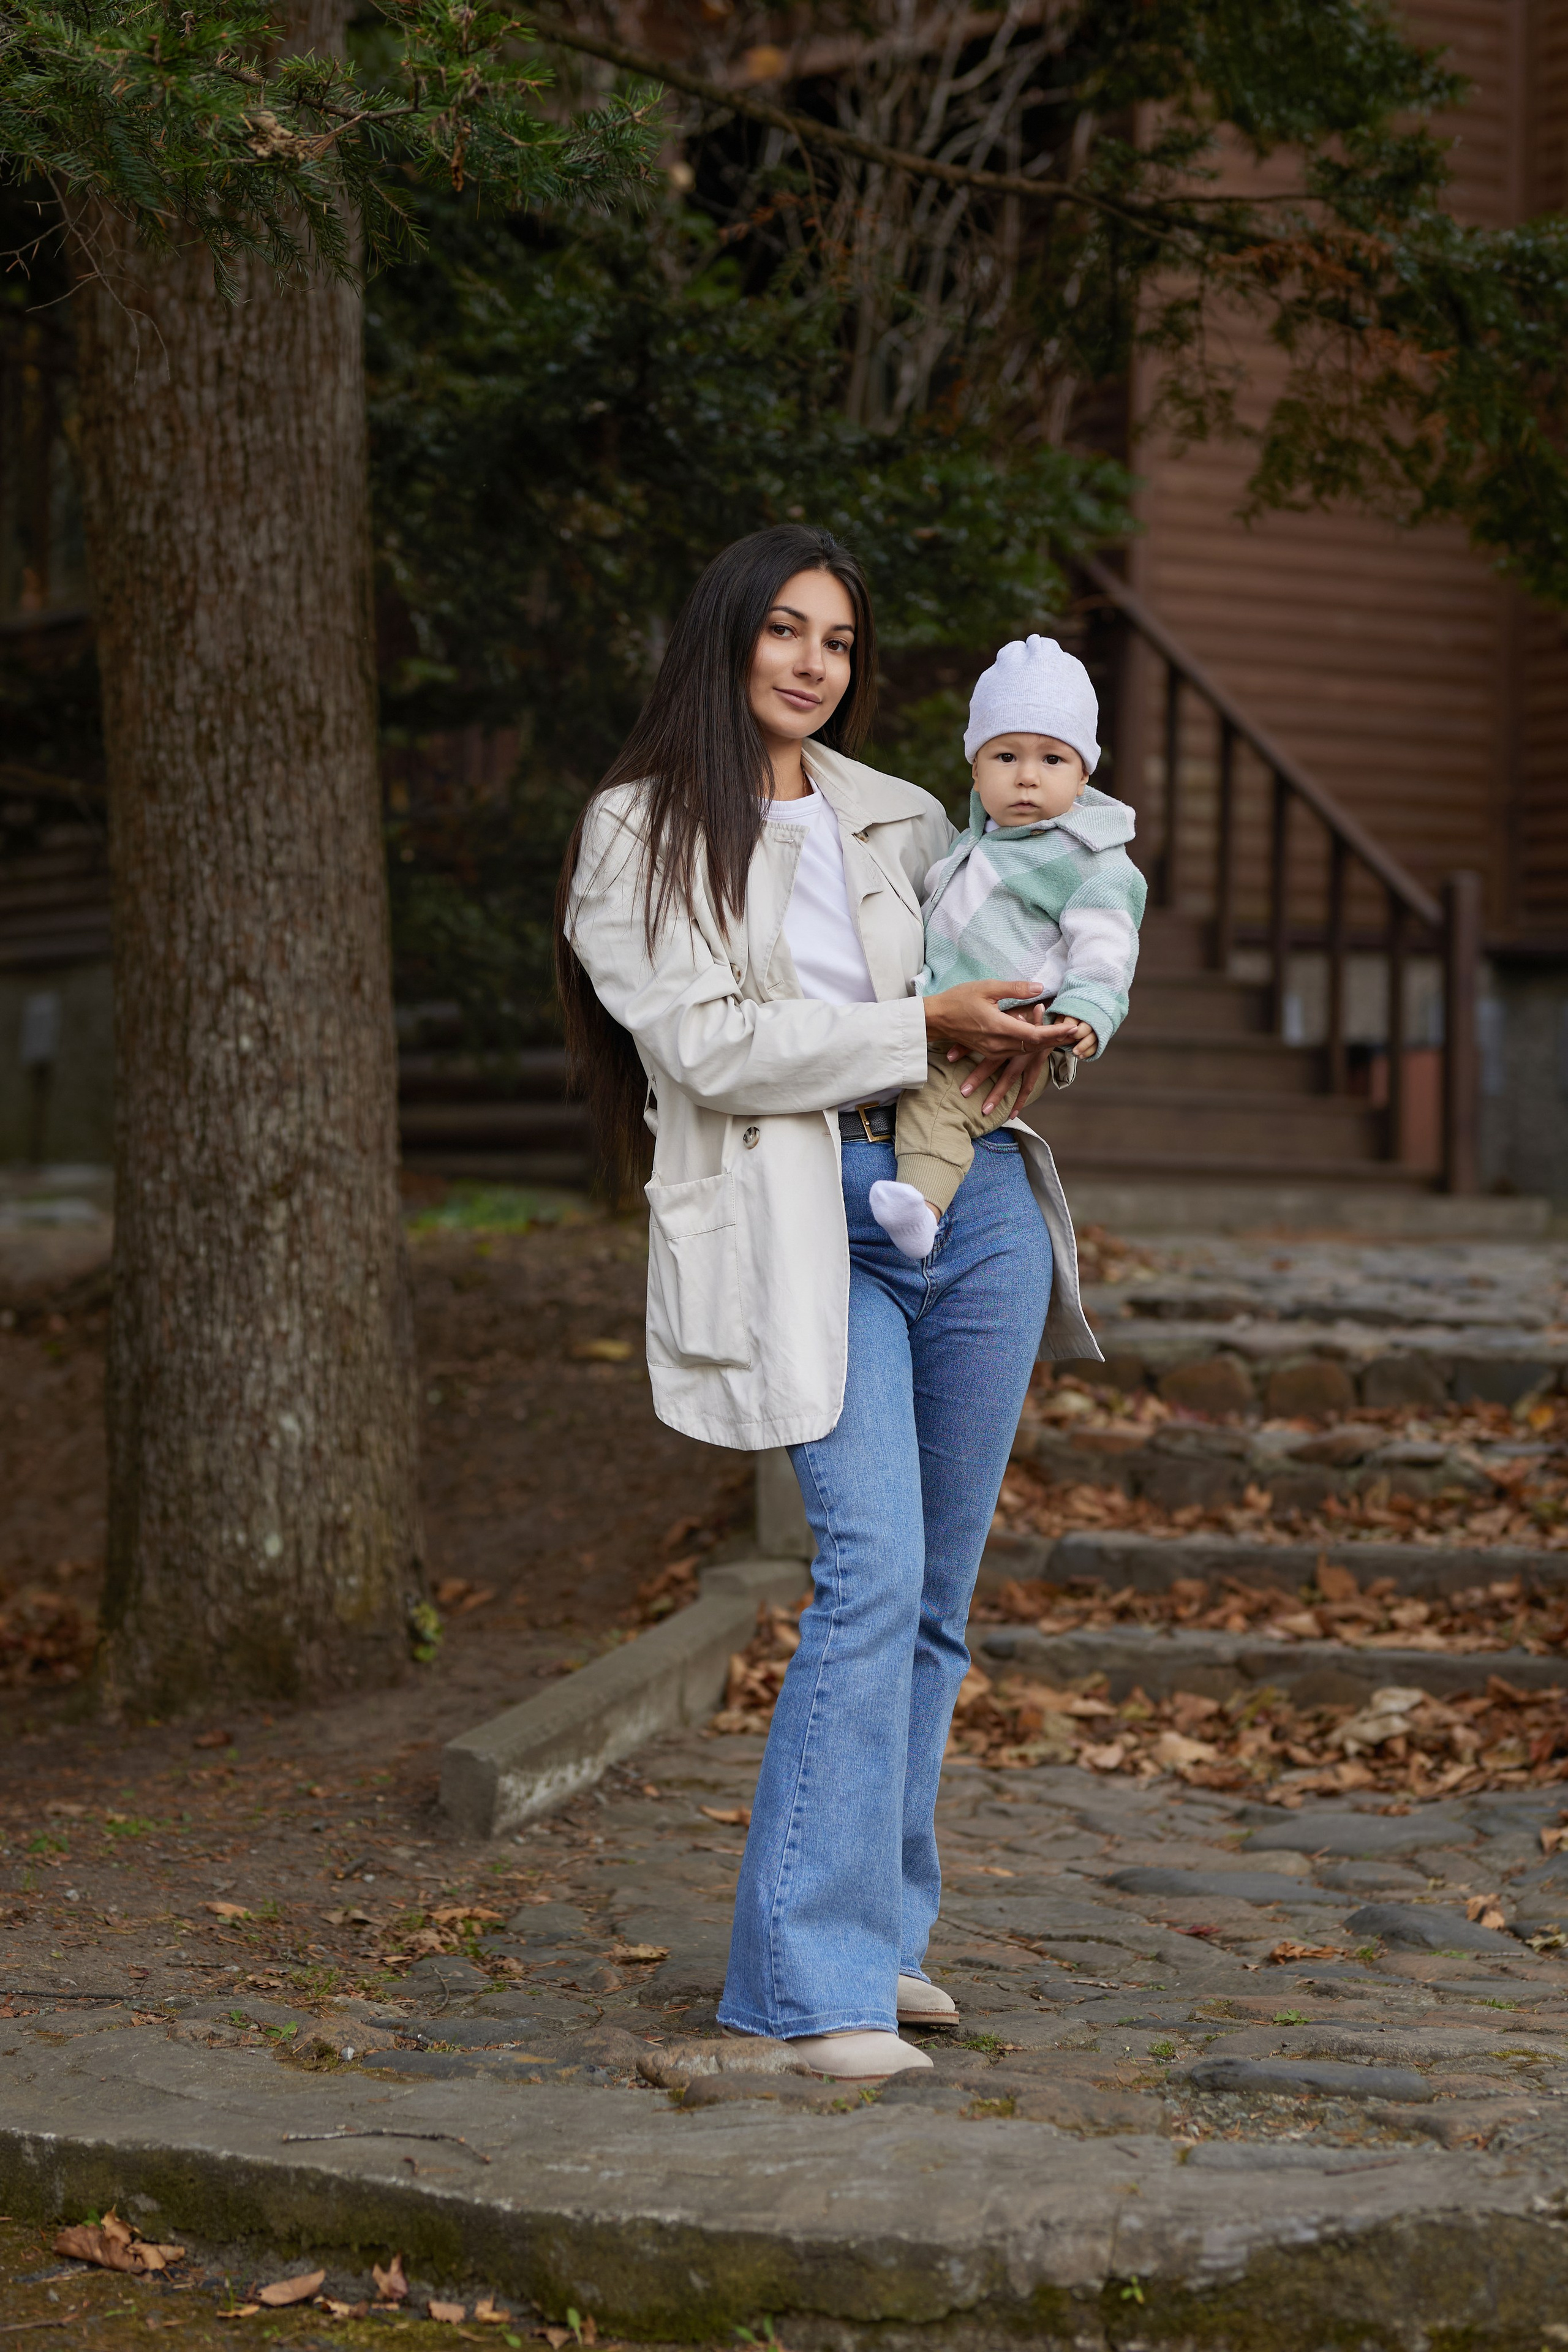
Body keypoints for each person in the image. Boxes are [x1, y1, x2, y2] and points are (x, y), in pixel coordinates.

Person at [556, 525, 1104, 2083]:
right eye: (784, 630)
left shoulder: (904, 812)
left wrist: (1047, 1017)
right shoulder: (635, 831)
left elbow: (1020, 933)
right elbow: (711, 1048)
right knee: (866, 1566)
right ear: (724, 636)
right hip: (808, 1217)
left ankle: (882, 1937)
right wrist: (910, 1017)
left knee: (937, 1591)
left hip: (970, 1194)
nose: (811, 663)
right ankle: (801, 1988)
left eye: (839, 643)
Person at [868, 634, 1147, 1262]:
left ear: (1083, 775)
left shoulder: (1089, 861)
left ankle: (921, 1208)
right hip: (946, 1014)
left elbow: (1106, 948)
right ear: (974, 767)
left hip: (1011, 1029)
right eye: (1004, 756)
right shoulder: (971, 844)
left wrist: (1084, 1014)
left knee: (942, 1104)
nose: (1026, 776)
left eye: (1052, 760)